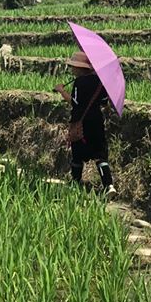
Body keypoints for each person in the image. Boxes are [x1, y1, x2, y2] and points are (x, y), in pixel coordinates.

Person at [54, 50, 115, 196]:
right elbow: (104, 104)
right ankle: (109, 185)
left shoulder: (79, 82)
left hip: (81, 122)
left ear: (80, 68)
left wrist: (62, 91)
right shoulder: (100, 82)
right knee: (100, 155)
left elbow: (75, 103)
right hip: (97, 122)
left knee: (77, 154)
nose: (72, 69)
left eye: (73, 67)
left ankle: (75, 183)